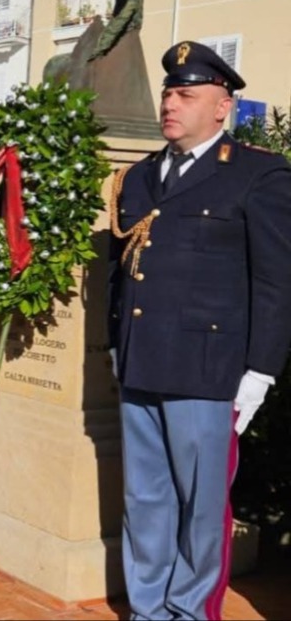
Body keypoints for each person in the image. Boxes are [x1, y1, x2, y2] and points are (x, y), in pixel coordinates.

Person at [108, 41, 291, 620]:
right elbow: (127, 269)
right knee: (145, 498)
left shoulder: (258, 175)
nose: (170, 103)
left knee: (201, 505)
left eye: (186, 94)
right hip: (140, 362)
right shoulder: (139, 177)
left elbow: (276, 281)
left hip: (208, 372)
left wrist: (260, 371)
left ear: (222, 107)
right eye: (167, 92)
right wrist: (117, 347)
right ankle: (148, 609)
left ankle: (189, 612)